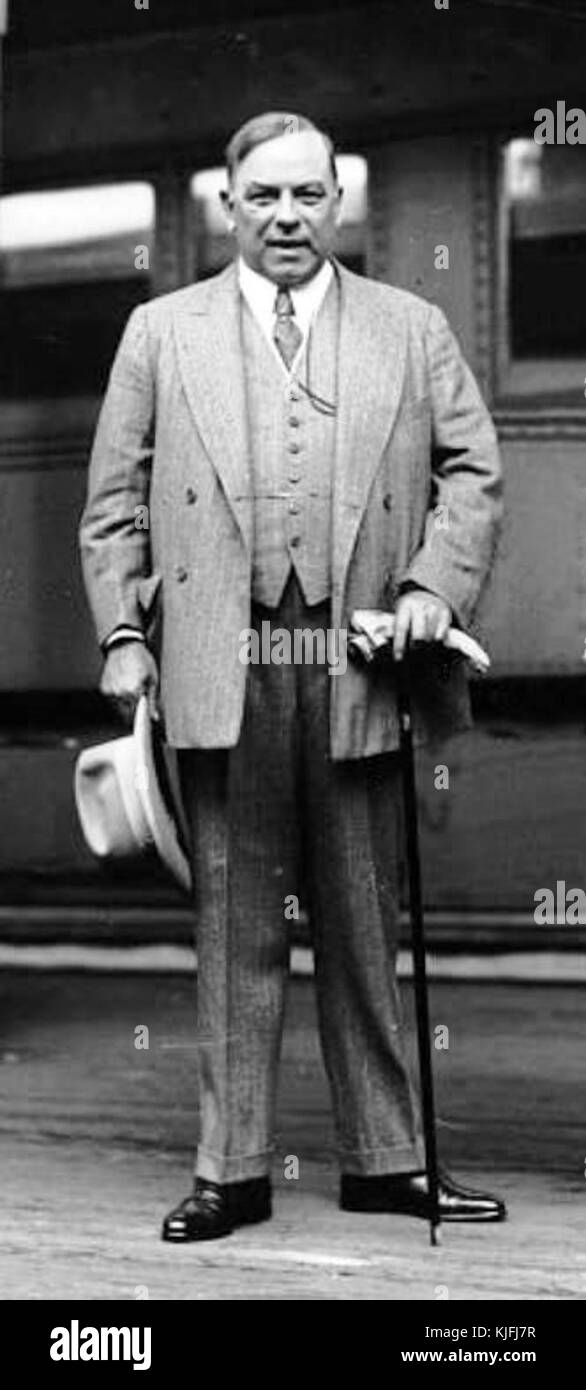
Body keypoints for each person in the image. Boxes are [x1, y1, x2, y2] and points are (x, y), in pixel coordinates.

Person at [80, 111, 505, 1241]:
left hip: (359, 658)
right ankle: (231, 1172)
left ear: (337, 201)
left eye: (307, 195)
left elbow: (473, 471)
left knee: (365, 921)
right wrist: (123, 634)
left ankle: (387, 1160)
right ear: (229, 206)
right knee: (236, 929)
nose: (285, 217)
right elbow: (112, 506)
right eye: (263, 196)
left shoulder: (410, 329)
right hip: (221, 660)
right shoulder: (159, 333)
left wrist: (433, 585)